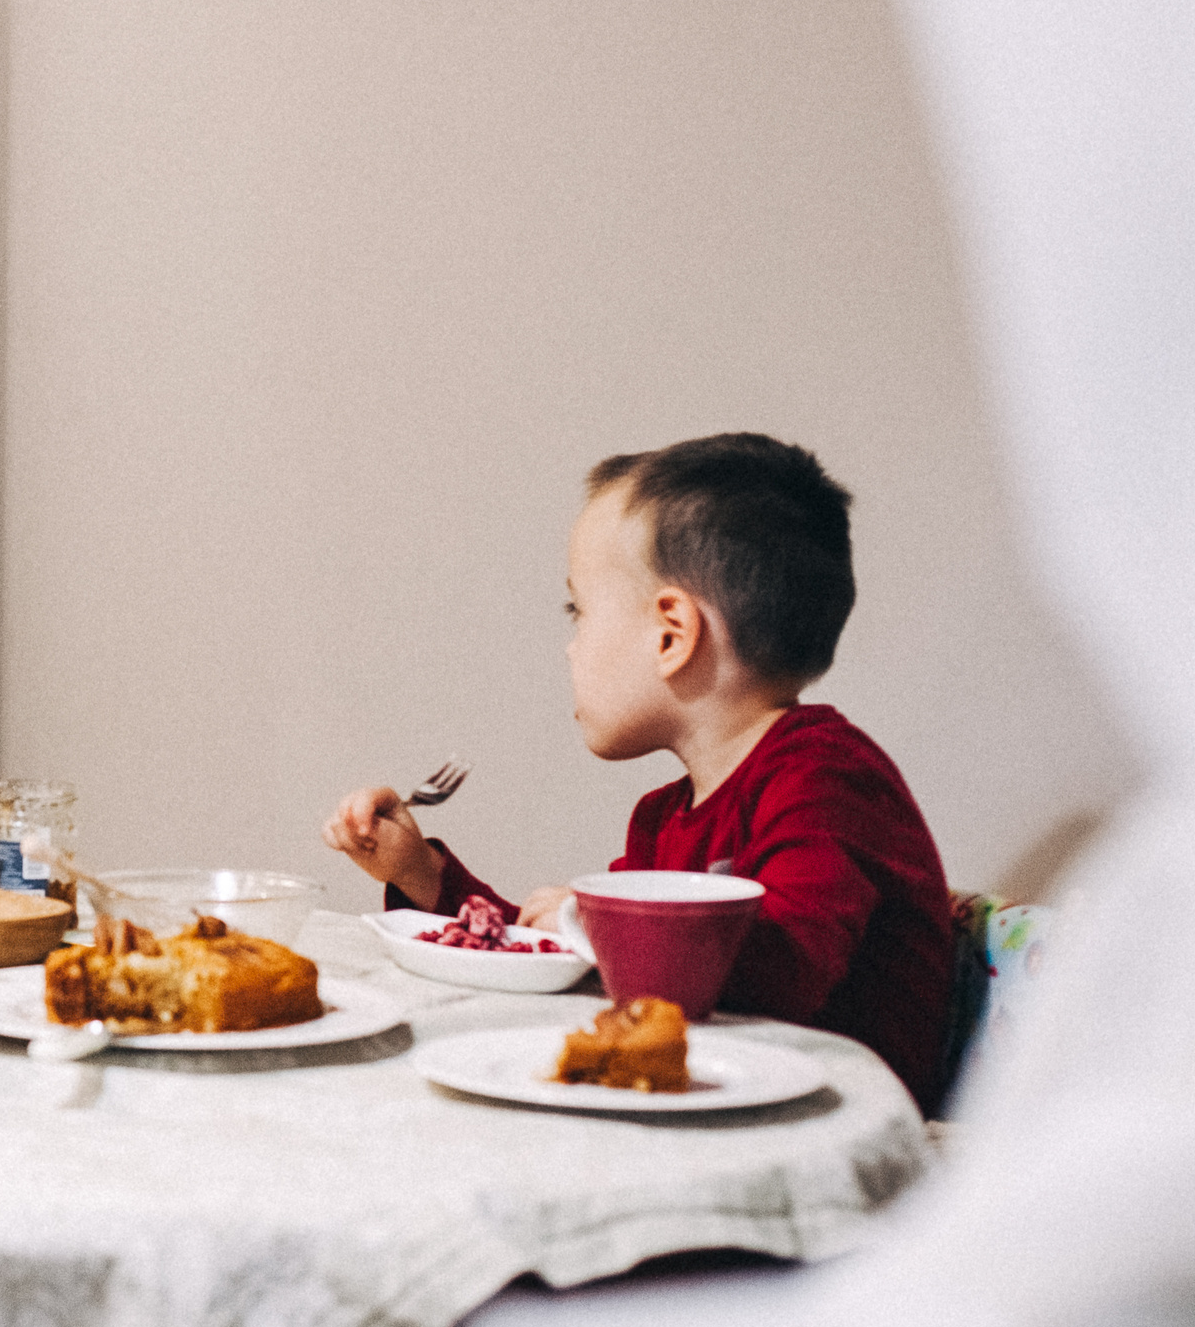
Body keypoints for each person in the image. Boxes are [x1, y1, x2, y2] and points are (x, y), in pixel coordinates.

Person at [323, 434, 956, 1113]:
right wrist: (422, 874)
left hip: (842, 1136)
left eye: (580, 611)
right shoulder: (664, 819)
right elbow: (575, 961)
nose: (570, 645)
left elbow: (790, 967)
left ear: (670, 634)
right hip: (716, 1107)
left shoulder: (827, 780)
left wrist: (598, 922)